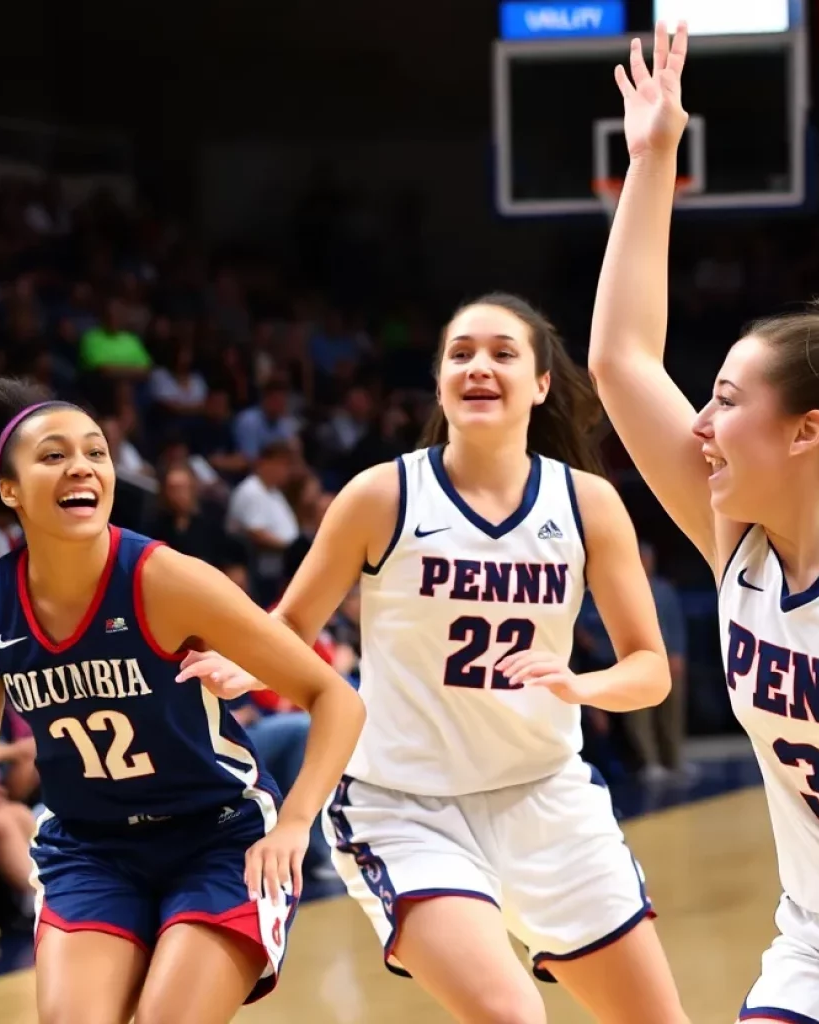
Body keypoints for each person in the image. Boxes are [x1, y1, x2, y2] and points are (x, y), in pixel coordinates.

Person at [180, 293, 688, 1023]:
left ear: (542, 384)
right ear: (441, 379)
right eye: (461, 353)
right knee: (514, 1017)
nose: (479, 366)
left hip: (547, 798)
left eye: (503, 353)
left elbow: (649, 668)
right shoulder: (382, 495)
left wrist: (582, 683)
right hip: (406, 806)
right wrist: (249, 663)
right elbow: (290, 621)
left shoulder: (588, 504)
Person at [0, 379, 365, 1024]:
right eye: (53, 454)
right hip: (91, 849)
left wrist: (297, 824)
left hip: (217, 840)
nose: (81, 465)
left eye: (96, 452)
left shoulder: (165, 579)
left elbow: (335, 698)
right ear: (8, 488)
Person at [589, 22, 819, 1023]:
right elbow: (622, 360)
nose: (701, 425)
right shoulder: (740, 548)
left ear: (806, 431)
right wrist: (653, 155)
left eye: (723, 400)